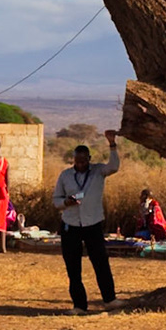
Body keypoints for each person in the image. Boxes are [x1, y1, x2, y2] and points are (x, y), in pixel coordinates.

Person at [54, 132, 120, 313]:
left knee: (100, 262)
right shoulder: (65, 175)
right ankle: (79, 305)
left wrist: (112, 144)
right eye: (77, 160)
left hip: (93, 223)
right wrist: (66, 203)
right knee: (73, 266)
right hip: (71, 224)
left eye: (84, 160)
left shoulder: (98, 171)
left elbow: (114, 166)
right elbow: (56, 199)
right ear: (73, 159)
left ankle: (110, 299)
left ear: (89, 159)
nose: (80, 163)